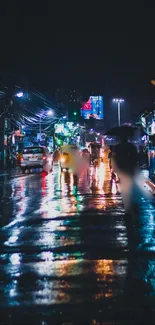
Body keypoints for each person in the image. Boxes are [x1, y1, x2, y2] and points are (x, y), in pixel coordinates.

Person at [111, 143, 154, 250]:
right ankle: (132, 211)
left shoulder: (120, 148)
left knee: (129, 192)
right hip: (129, 172)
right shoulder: (130, 148)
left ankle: (130, 211)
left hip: (127, 172)